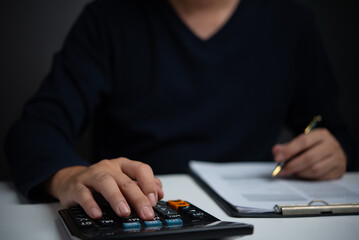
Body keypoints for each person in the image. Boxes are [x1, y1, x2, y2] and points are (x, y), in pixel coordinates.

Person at [5, 0, 355, 221]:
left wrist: (333, 151)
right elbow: (35, 131)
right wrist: (68, 177)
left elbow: (329, 128)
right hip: (140, 214)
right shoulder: (109, 18)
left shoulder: (292, 23)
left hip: (259, 221)